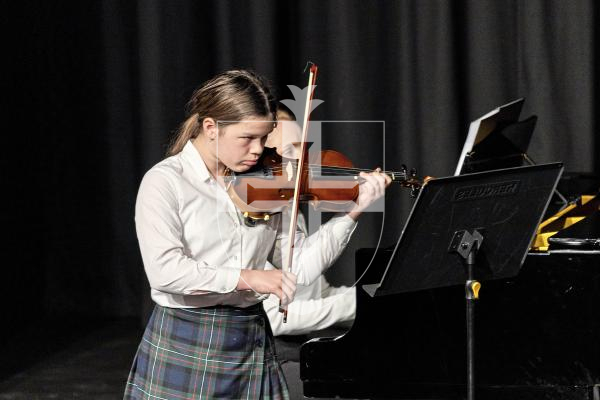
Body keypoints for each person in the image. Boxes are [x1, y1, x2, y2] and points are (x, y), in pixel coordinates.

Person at [124, 70, 390, 400]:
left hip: (250, 335)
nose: (258, 150)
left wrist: (352, 212)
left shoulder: (267, 184)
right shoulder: (165, 183)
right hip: (190, 334)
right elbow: (166, 272)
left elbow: (300, 268)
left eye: (264, 138)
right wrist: (249, 278)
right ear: (210, 128)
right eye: (246, 138)